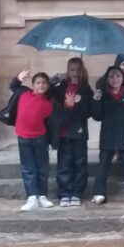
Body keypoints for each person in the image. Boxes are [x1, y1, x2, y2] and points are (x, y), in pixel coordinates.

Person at [90, 64, 124, 205]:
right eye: (112, 76)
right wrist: (96, 100)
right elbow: (97, 116)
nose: (115, 79)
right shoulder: (104, 95)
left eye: (118, 76)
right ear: (107, 79)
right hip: (108, 134)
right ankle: (98, 192)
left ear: (122, 78)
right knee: (103, 164)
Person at [7, 69, 58, 212]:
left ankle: (42, 195)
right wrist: (18, 77)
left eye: (44, 83)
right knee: (28, 168)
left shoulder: (49, 102)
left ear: (48, 86)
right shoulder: (23, 93)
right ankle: (32, 196)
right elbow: (13, 86)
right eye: (38, 83)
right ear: (33, 84)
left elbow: (51, 123)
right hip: (23, 137)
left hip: (40, 138)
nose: (41, 85)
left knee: (42, 168)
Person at [50, 57, 93, 207]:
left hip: (79, 132)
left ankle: (77, 192)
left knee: (80, 164)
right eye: (72, 69)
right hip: (63, 132)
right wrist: (54, 79)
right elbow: (48, 93)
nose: (75, 73)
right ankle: (65, 192)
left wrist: (78, 104)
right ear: (68, 70)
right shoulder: (61, 87)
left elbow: (89, 112)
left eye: (78, 69)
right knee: (64, 164)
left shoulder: (86, 89)